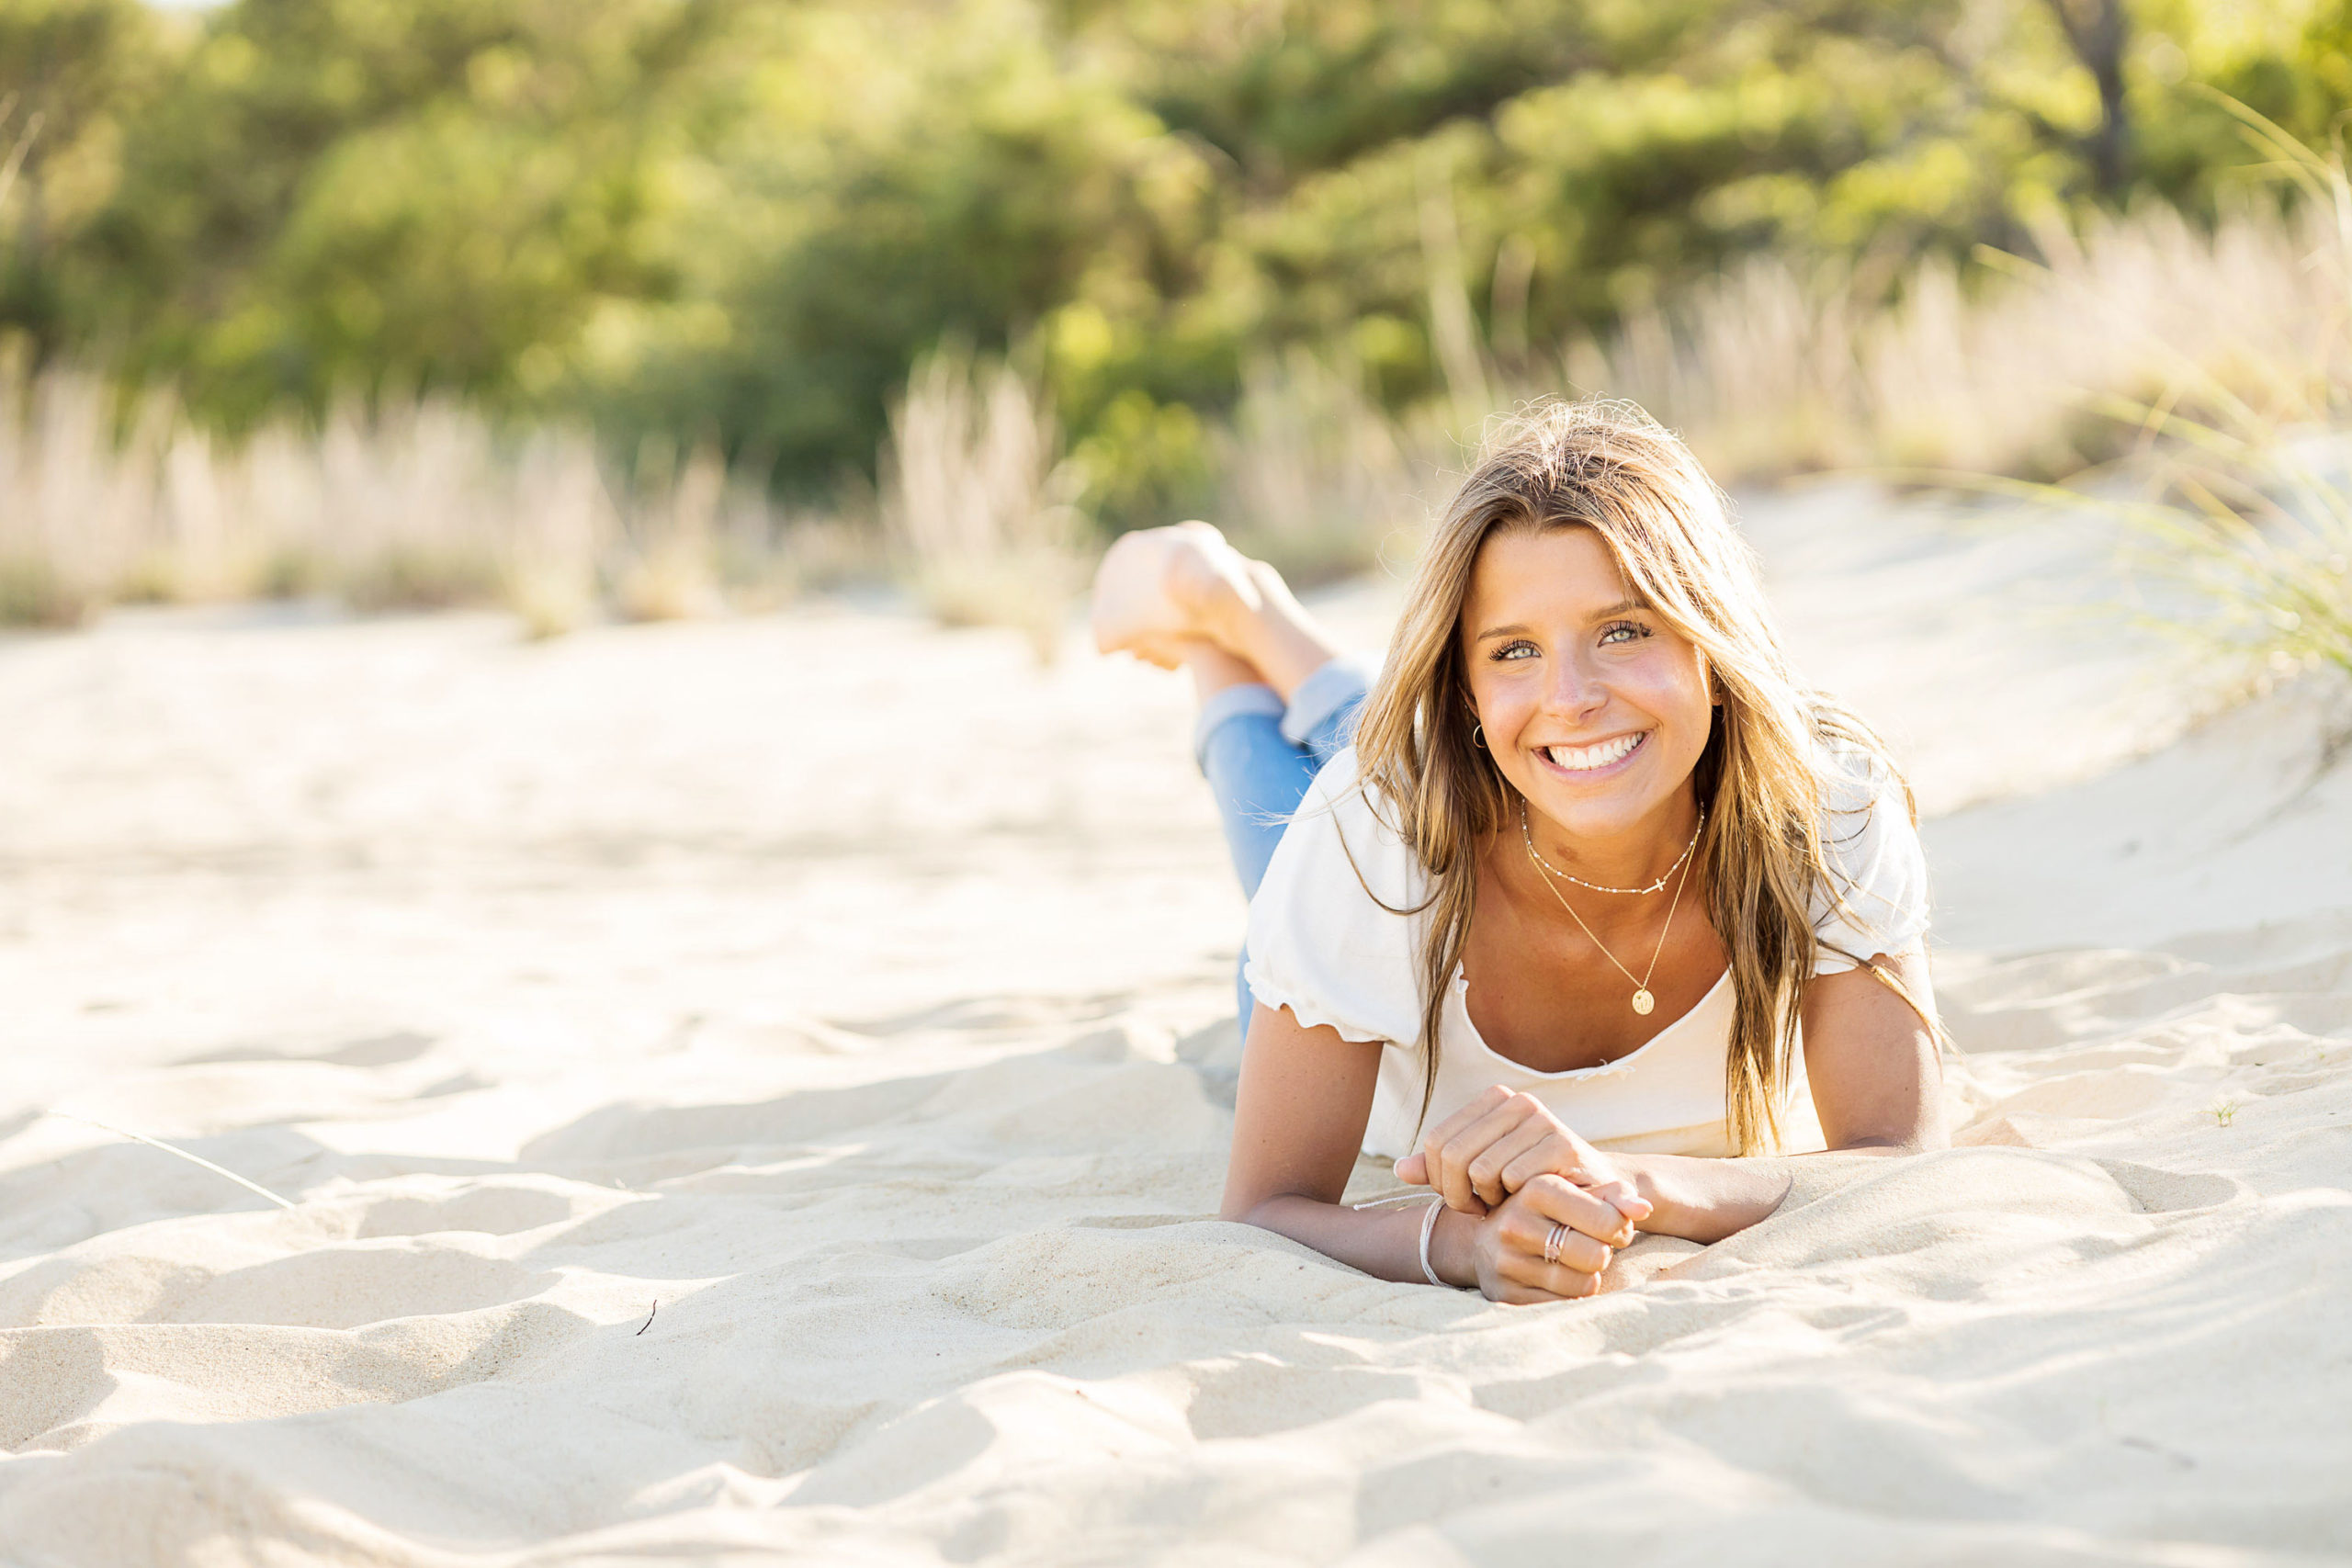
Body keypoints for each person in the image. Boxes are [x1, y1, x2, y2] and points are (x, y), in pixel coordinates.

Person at [1091, 400, 1948, 1305]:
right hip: (1370, 928)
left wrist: (1626, 1180)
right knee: (1315, 787)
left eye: (1624, 630)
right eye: (1512, 648)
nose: (1571, 693)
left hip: (1471, 777)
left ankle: (1260, 619)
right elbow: (1266, 1206)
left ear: (1713, 641)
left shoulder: (1826, 809)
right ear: (1464, 680)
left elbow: (1899, 1160)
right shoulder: (1365, 836)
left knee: (1481, 743)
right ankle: (1221, 627)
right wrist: (1465, 1246)